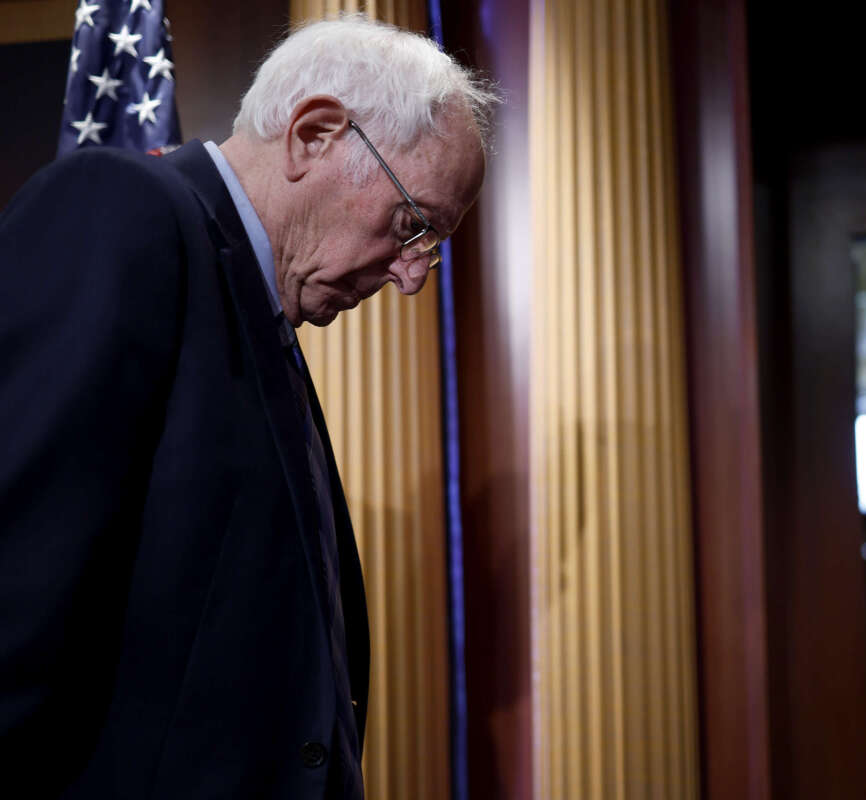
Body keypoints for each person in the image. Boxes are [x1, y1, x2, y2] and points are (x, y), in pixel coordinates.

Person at [0, 16, 495, 799]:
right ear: (316, 133)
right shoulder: (123, 210)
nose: (412, 278)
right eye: (413, 224)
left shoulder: (264, 315)